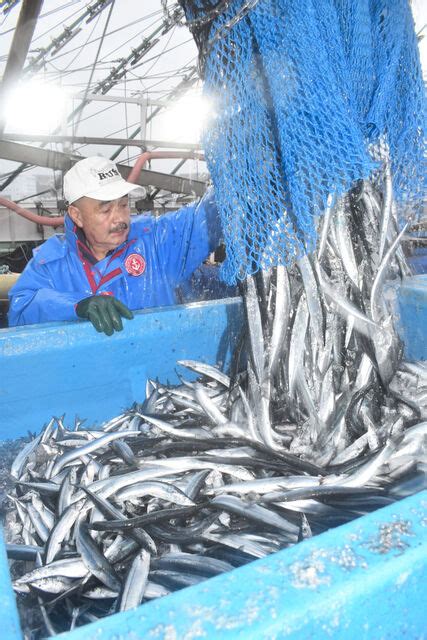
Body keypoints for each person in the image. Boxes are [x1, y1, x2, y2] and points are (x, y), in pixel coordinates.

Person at [8, 156, 221, 335]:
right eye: (106, 210)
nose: (120, 218)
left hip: (160, 374)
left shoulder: (156, 241)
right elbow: (21, 310)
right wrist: (77, 305)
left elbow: (206, 216)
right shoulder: (49, 263)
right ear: (77, 216)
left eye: (123, 205)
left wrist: (235, 172)